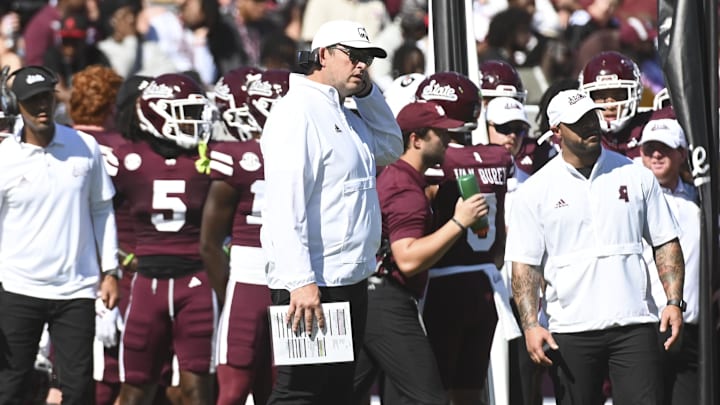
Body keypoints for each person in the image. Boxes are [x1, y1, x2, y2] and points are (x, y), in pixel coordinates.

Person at [505, 89, 686, 405]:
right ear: (557, 131)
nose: (590, 126)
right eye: (578, 122)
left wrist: (673, 301)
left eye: (592, 117)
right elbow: (524, 265)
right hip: (570, 329)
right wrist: (531, 325)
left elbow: (665, 241)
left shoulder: (636, 175)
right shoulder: (534, 191)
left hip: (636, 324)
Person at [260, 19, 402, 405]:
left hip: (347, 278)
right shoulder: (296, 112)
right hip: (312, 282)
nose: (361, 66)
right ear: (323, 55)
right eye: (353, 57)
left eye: (368, 60)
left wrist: (369, 92)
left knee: (338, 392)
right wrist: (300, 281)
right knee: (299, 392)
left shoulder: (346, 111)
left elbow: (391, 147)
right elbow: (284, 208)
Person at [352, 100, 488, 405]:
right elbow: (408, 258)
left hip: (371, 295)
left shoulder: (401, 179)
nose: (449, 141)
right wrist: (459, 221)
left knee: (341, 394)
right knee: (429, 399)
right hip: (386, 300)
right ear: (416, 139)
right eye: (440, 134)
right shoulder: (405, 188)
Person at [0, 65, 119, 403]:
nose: (41, 107)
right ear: (17, 104)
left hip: (76, 289)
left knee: (79, 388)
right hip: (18, 287)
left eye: (46, 98)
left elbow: (101, 208)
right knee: (11, 386)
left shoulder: (86, 146)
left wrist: (110, 271)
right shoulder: (4, 157)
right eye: (31, 100)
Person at [112, 73, 217, 404]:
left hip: (196, 282)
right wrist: (109, 263)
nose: (195, 122)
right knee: (136, 388)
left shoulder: (210, 161)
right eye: (185, 113)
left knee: (197, 391)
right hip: (146, 282)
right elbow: (94, 216)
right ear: (159, 115)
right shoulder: (127, 161)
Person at [415, 71, 517, 405]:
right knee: (470, 387)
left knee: (436, 388)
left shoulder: (439, 162)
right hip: (485, 280)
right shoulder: (497, 158)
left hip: (443, 283)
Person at [200, 68, 289, 405]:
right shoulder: (238, 157)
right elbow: (209, 243)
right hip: (249, 276)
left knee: (285, 389)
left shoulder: (314, 153)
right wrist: (230, 290)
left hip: (297, 280)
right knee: (234, 389)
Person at [67, 65, 127, 405]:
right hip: (115, 270)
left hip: (59, 271)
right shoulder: (125, 150)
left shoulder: (57, 145)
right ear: (110, 106)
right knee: (113, 372)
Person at [639, 118, 700, 405]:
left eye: (664, 148)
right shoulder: (630, 199)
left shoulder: (701, 199)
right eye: (649, 148)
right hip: (646, 325)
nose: (656, 155)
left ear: (682, 154)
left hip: (693, 326)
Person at [578, 50, 674, 160]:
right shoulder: (574, 138)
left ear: (635, 93)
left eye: (618, 95)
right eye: (601, 97)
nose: (610, 106)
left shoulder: (659, 123)